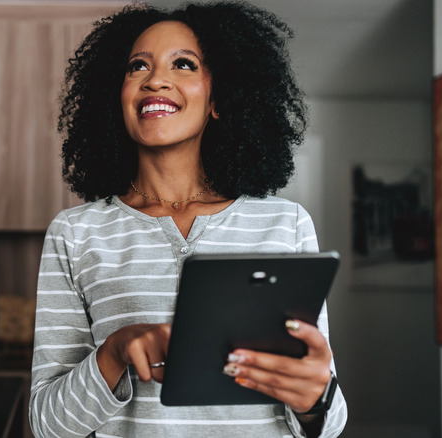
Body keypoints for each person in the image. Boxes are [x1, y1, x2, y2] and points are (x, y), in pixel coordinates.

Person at [29, 1, 347, 437]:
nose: (155, 80)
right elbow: (47, 425)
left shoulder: (285, 223)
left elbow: (329, 423)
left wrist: (315, 398)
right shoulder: (75, 233)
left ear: (217, 100)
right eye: (137, 66)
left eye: (183, 64)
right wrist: (115, 352)